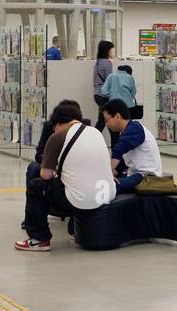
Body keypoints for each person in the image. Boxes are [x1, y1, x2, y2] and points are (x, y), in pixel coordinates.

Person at [15, 101, 114, 252]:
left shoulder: (57, 137)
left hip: (80, 200)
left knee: (37, 186)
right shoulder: (95, 132)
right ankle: (73, 230)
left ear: (57, 124)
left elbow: (45, 175)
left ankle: (39, 239)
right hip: (106, 196)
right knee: (75, 182)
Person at [101, 98, 163, 194]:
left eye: (107, 120)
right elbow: (121, 162)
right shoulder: (127, 131)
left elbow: (118, 152)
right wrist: (111, 174)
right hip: (135, 174)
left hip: (147, 178)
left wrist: (106, 176)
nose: (106, 124)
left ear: (117, 116)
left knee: (109, 187)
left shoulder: (135, 129)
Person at [92, 40, 115, 131]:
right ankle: (114, 142)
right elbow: (110, 81)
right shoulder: (107, 63)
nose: (113, 52)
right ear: (107, 51)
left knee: (102, 119)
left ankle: (94, 139)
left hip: (97, 95)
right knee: (108, 119)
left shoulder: (97, 63)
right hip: (104, 95)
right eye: (111, 50)